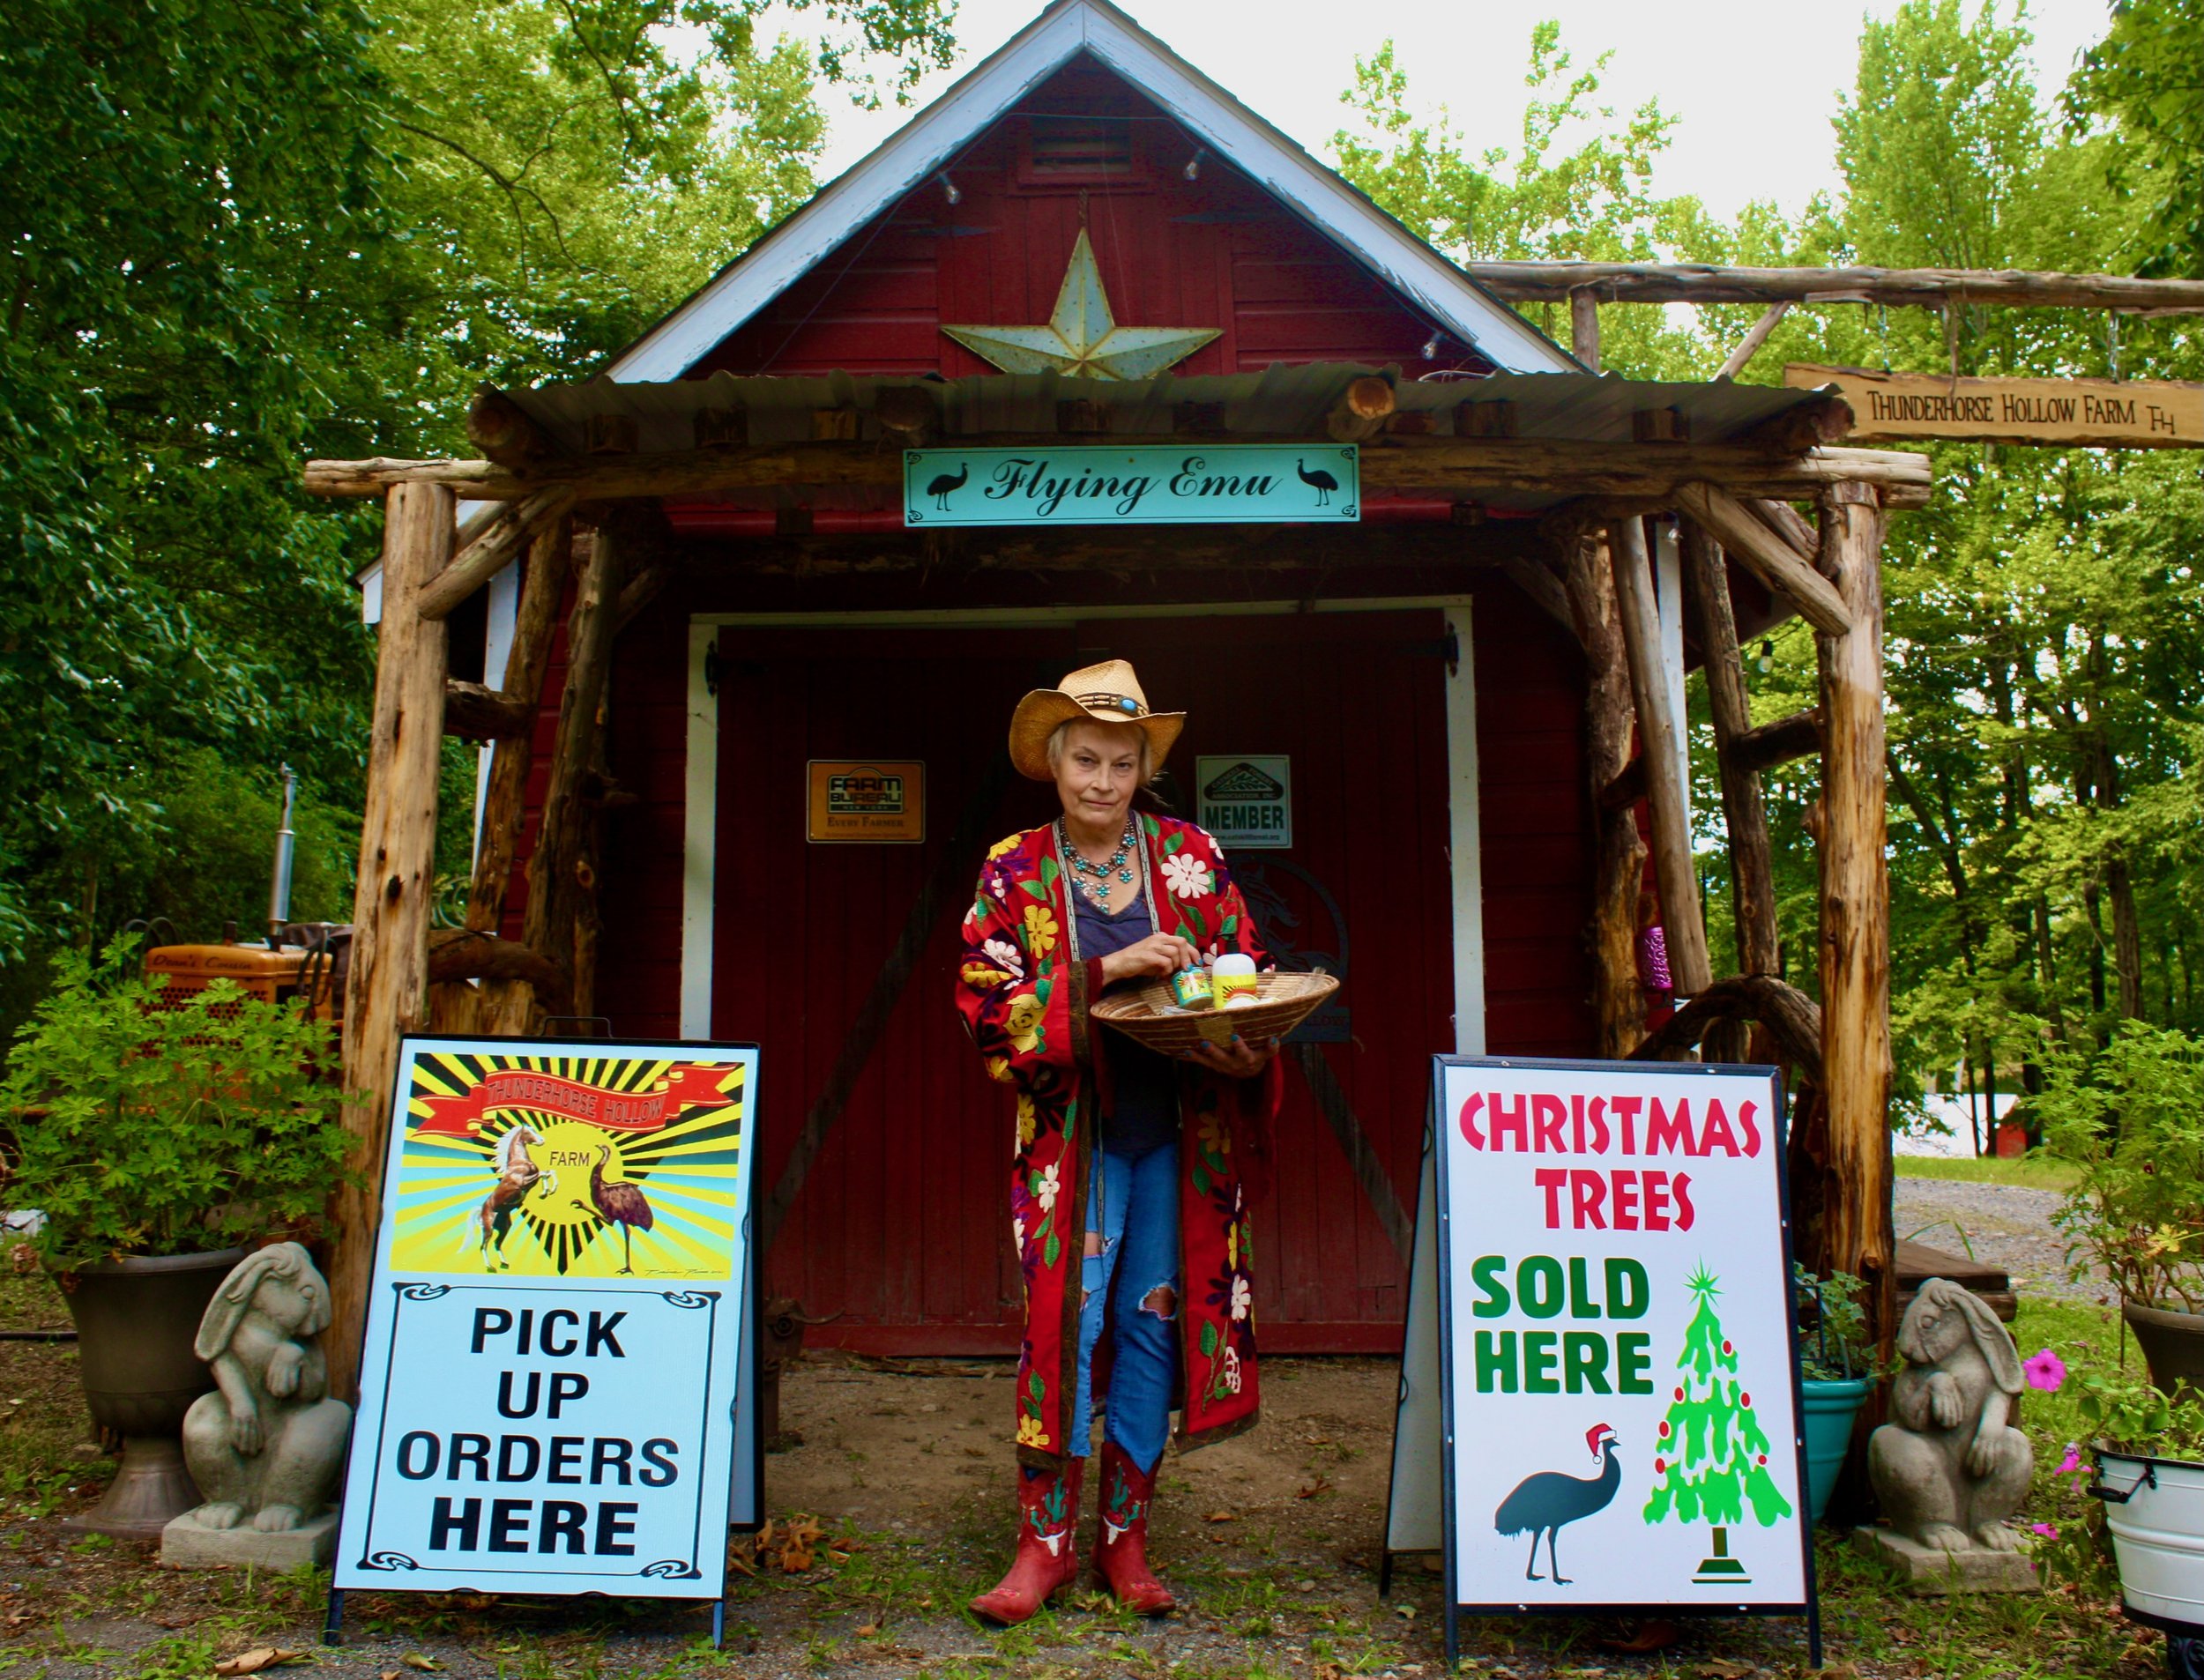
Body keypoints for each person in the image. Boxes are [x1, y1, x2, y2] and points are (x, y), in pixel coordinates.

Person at [955, 658, 1282, 1624]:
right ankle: (1041, 1547)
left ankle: (1122, 1546)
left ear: (1144, 769)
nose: (1101, 780)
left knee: (1151, 1327)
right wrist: (1107, 970)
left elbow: (1246, 971)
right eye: (1085, 760)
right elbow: (985, 1008)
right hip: (1075, 1144)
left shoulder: (1188, 853)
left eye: (1121, 762)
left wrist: (1241, 1043)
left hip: (1180, 1142)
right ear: (1052, 765)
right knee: (1066, 1324)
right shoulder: (1012, 868)